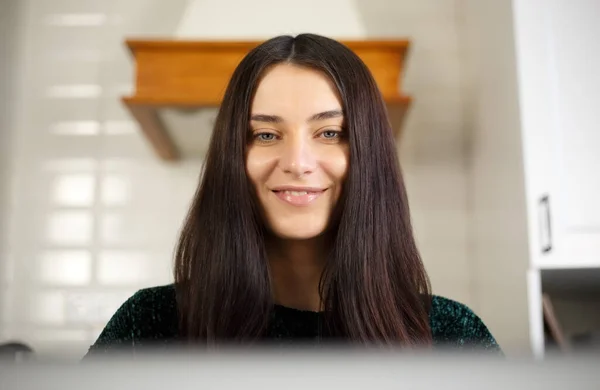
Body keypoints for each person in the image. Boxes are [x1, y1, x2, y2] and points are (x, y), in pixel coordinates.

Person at [84, 34, 500, 357]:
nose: (298, 162)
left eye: (330, 133)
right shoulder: (150, 324)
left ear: (370, 155)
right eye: (266, 134)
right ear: (232, 156)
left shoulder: (451, 335)